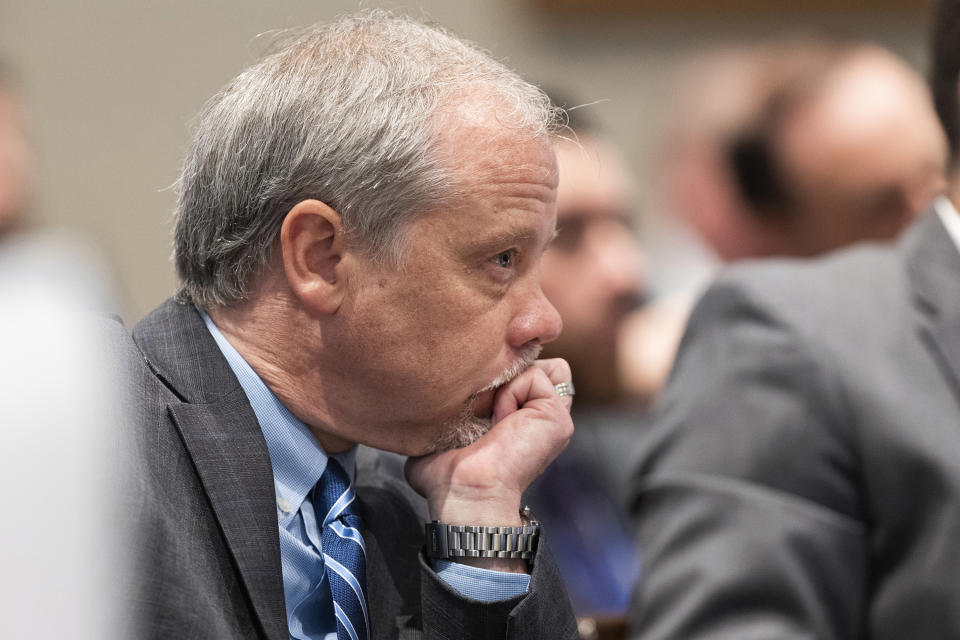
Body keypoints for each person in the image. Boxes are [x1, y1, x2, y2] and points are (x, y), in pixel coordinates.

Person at [118, 11, 579, 640]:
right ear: (321, 257)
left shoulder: (415, 490)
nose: (543, 320)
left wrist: (479, 509)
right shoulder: (92, 432)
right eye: (501, 259)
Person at [628, 2, 960, 637]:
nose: (923, 210)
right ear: (776, 233)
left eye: (927, 174)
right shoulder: (779, 333)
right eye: (880, 203)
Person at [527, 105, 646, 635]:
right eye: (569, 234)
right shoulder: (398, 497)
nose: (627, 271)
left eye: (624, 225)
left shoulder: (625, 449)